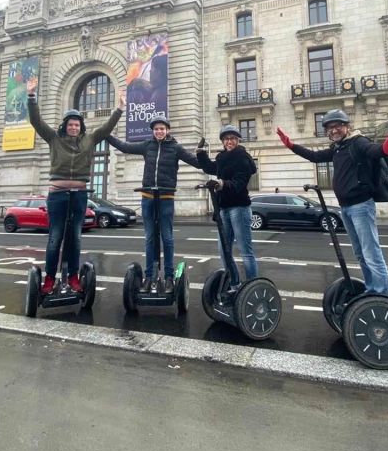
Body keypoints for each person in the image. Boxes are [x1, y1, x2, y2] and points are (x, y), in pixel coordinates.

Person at [276, 109, 388, 296]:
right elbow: (315, 156)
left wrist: (384, 149)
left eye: (338, 126)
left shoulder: (358, 142)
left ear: (347, 126)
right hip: (345, 207)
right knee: (361, 254)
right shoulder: (338, 148)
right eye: (329, 127)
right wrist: (291, 145)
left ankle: (382, 293)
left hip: (361, 205)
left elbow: (372, 150)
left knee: (371, 252)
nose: (333, 130)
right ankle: (372, 289)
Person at [27, 79, 125, 295]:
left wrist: (119, 107)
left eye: (76, 124)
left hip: (79, 194)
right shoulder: (54, 138)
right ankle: (50, 278)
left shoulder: (89, 140)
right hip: (57, 195)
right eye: (70, 124)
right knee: (55, 237)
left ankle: (73, 277)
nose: (73, 127)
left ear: (81, 126)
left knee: (75, 237)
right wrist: (31, 96)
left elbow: (107, 127)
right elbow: (36, 121)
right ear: (65, 125)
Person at [106, 114, 201, 293]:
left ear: (167, 130)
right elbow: (125, 147)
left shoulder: (175, 148)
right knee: (150, 237)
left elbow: (195, 162)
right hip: (148, 196)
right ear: (153, 131)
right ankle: (149, 277)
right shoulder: (146, 145)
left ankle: (169, 277)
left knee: (167, 238)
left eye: (162, 128)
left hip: (166, 197)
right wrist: (106, 135)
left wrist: (208, 159)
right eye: (156, 129)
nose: (159, 131)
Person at [196, 125, 259, 288]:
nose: (229, 141)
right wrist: (200, 153)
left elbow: (239, 183)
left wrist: (222, 183)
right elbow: (211, 168)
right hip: (223, 208)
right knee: (224, 251)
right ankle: (235, 284)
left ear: (237, 140)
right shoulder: (222, 157)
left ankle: (252, 287)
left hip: (239, 207)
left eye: (232, 138)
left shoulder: (242, 157)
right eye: (226, 139)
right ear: (223, 142)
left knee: (245, 251)